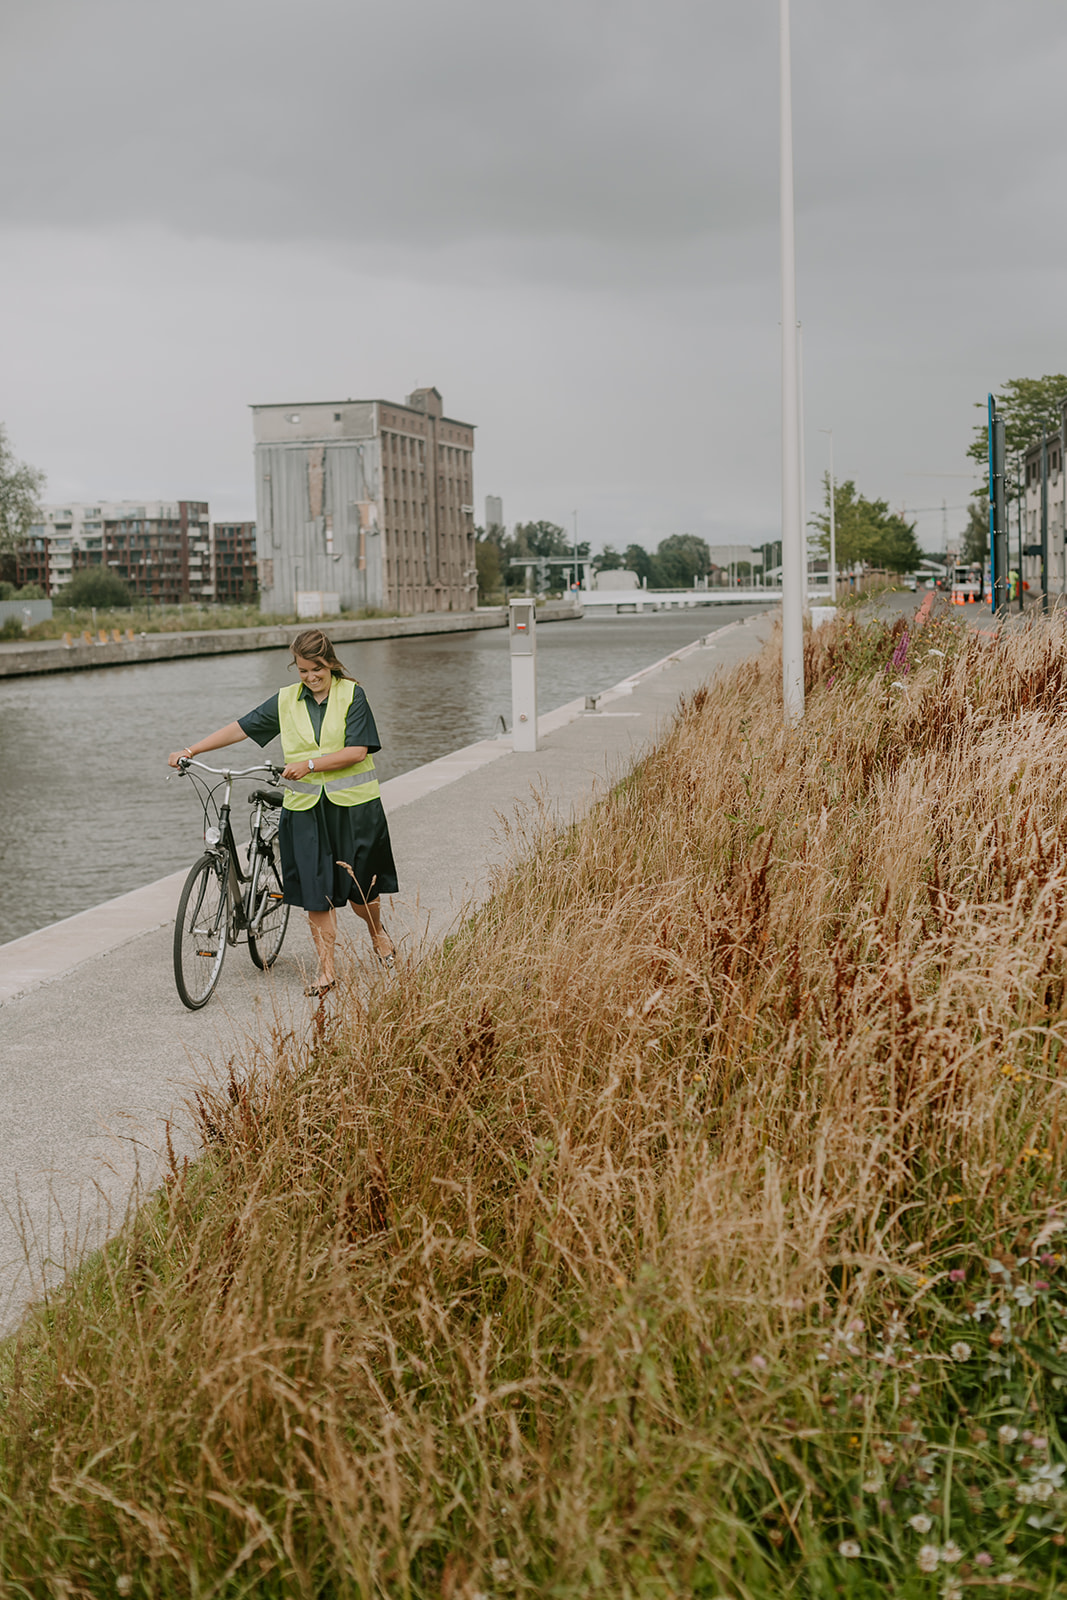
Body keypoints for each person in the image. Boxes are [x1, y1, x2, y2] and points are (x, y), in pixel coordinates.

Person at [168, 628, 397, 997]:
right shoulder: (287, 700)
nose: (310, 677)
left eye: (317, 669)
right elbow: (241, 728)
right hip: (305, 811)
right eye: (303, 670)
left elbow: (357, 751)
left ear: (330, 663)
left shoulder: (353, 694)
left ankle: (377, 933)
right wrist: (191, 750)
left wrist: (309, 763)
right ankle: (327, 972)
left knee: (360, 893)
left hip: (353, 809)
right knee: (315, 892)